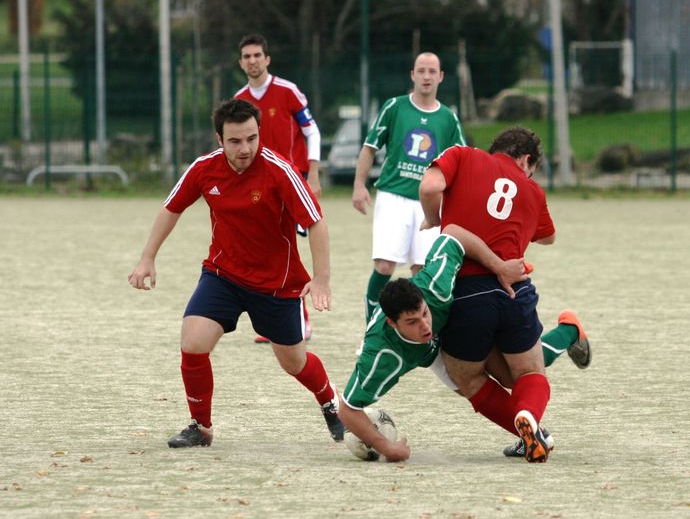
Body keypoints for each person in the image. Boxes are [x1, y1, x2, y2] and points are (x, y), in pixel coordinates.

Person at [127, 99, 344, 448]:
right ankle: (201, 426)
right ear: (219, 139)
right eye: (235, 141)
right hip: (223, 275)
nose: (245, 148)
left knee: (293, 362)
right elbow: (171, 208)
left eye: (252, 138)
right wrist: (147, 258)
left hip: (276, 284)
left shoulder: (279, 170)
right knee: (193, 342)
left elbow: (316, 223)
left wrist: (321, 279)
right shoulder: (204, 169)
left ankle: (331, 402)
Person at [337, 224, 591, 462]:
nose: (425, 326)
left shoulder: (435, 286)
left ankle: (568, 333)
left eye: (424, 314)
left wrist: (499, 266)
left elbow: (454, 234)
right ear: (393, 324)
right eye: (412, 322)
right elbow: (347, 409)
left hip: (458, 317)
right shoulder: (383, 354)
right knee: (476, 386)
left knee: (513, 375)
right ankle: (536, 433)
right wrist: (387, 448)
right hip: (427, 354)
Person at [419, 126, 557, 463]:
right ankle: (529, 418)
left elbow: (430, 185)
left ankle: (523, 428)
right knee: (528, 373)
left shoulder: (463, 155)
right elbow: (548, 237)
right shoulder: (533, 190)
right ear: (527, 160)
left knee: (467, 375)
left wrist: (433, 219)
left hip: (467, 290)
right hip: (516, 289)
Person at [352, 52, 466, 329]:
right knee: (384, 266)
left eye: (432, 71)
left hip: (429, 203)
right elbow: (370, 147)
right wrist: (359, 184)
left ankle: (418, 334)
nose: (426, 76)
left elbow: (463, 162)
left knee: (421, 272)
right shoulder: (395, 107)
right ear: (412, 75)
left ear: (440, 77)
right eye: (421, 71)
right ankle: (372, 331)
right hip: (393, 197)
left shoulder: (448, 118)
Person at [234, 33, 321, 342]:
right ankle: (273, 321)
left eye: (258, 55)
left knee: (288, 249)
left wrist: (313, 173)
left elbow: (312, 132)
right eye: (247, 56)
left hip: (289, 182)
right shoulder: (239, 100)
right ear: (241, 62)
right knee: (262, 250)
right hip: (255, 187)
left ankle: (301, 320)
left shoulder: (288, 91)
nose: (253, 61)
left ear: (267, 59)